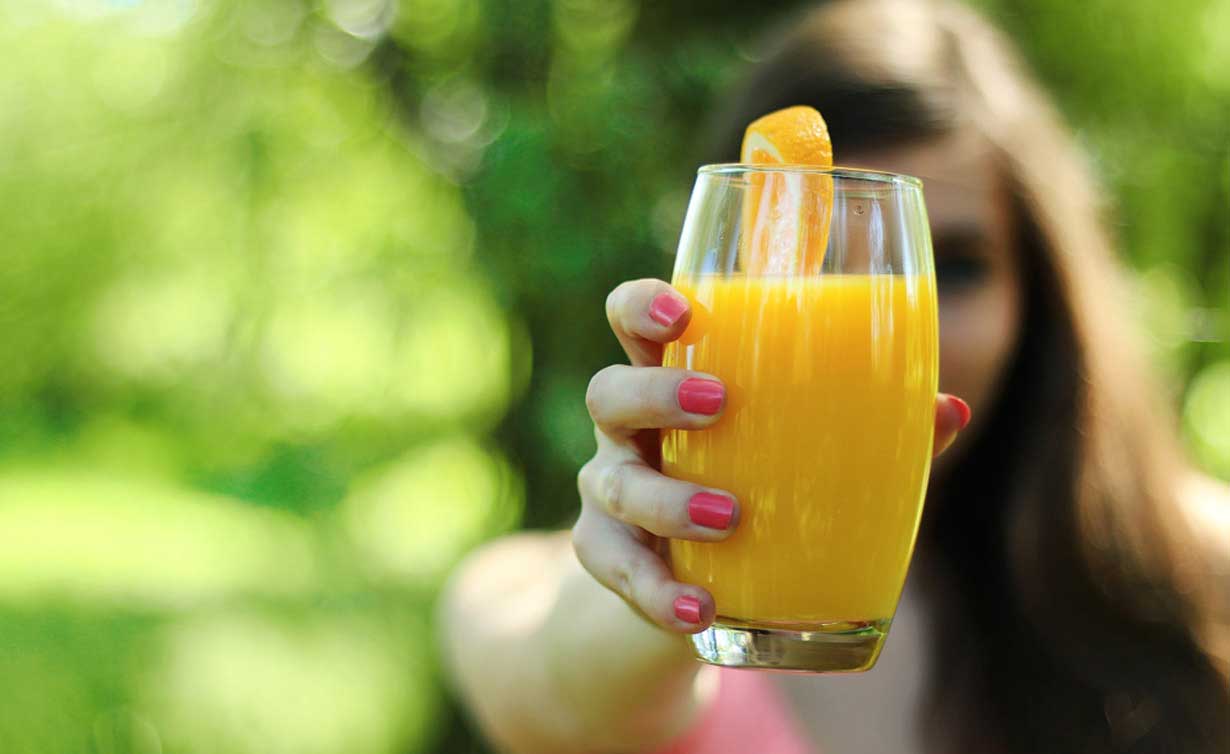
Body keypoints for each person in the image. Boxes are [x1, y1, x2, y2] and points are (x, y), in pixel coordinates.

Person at [439, 1, 1230, 752]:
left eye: (954, 267)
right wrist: (657, 593)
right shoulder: (531, 586)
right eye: (814, 261)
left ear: (1038, 296)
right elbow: (545, 693)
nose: (898, 328)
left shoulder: (1202, 576)